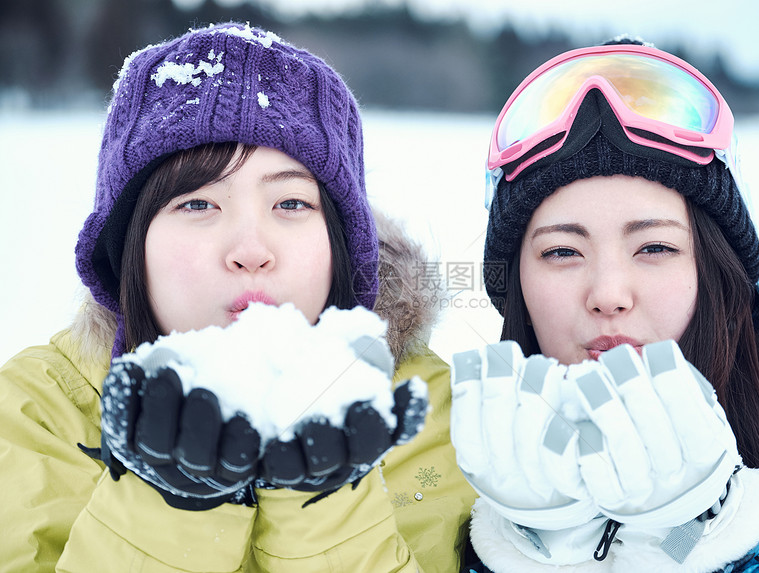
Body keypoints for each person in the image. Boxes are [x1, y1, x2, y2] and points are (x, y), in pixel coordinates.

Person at [0, 23, 476, 572]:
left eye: (291, 203)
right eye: (198, 204)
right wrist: (170, 510)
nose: (250, 250)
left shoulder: (422, 415)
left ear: (342, 246)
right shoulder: (37, 414)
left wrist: (324, 508)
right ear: (129, 246)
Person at [450, 38, 759, 571]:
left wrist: (696, 536)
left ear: (712, 264)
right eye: (562, 251)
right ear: (517, 282)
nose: (608, 296)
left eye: (654, 248)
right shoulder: (471, 441)